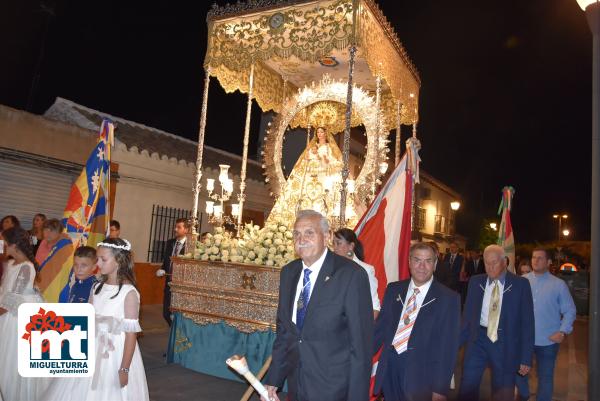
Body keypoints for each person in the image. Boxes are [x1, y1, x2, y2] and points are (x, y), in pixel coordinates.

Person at [262, 210, 373, 401]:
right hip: (297, 384)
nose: (301, 239)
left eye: (309, 233)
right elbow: (285, 333)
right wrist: (274, 379)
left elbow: (361, 347)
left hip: (334, 388)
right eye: (296, 234)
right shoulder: (289, 273)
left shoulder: (350, 275)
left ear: (327, 236)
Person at [42, 237, 149, 401]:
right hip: (90, 347)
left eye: (103, 259)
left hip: (113, 353)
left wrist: (124, 369)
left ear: (119, 261)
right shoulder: (97, 287)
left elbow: (130, 335)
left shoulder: (129, 293)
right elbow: (86, 319)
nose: (98, 263)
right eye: (97, 259)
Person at [373, 242, 461, 401]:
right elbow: (380, 329)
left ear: (435, 265)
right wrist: (357, 356)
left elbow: (448, 347)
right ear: (409, 262)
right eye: (417, 260)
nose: (422, 266)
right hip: (390, 365)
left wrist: (440, 389)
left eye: (428, 261)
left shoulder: (448, 298)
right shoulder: (394, 289)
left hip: (422, 373)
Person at [458, 244, 534, 401]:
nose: (490, 267)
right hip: (478, 340)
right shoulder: (475, 282)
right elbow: (467, 318)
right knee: (467, 385)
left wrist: (526, 357)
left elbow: (527, 323)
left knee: (503, 389)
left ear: (504, 261)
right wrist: (454, 345)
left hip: (505, 343)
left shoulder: (520, 285)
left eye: (494, 262)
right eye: (486, 262)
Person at [515, 248, 576, 401]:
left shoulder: (558, 285)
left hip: (548, 341)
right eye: (534, 257)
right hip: (523, 340)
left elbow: (570, 310)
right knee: (520, 375)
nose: (535, 260)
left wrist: (562, 331)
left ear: (549, 262)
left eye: (540, 258)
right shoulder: (522, 281)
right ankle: (524, 396)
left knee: (545, 378)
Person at [266, 126, 350, 228]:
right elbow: (304, 162)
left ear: (325, 134)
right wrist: (307, 158)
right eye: (318, 132)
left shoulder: (329, 147)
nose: (319, 134)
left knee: (323, 198)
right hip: (310, 177)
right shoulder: (312, 147)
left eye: (321, 132)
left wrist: (322, 157)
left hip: (323, 177)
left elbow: (333, 162)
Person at [0, 227, 47, 401]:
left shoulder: (26, 268)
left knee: (12, 361)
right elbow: (4, 291)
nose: (2, 245)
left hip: (16, 319)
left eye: (4, 242)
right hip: (6, 313)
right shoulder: (11, 263)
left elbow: (11, 301)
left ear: (14, 245)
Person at [332, 227, 380, 318]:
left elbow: (375, 307)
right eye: (333, 243)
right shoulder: (330, 268)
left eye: (338, 243)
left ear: (351, 246)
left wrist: (363, 330)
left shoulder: (365, 270)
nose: (335, 248)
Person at [156, 218, 189, 326]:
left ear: (186, 230)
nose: (175, 229)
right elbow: (166, 260)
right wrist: (162, 269)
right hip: (169, 283)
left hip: (182, 285)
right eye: (176, 227)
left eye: (179, 227)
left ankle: (177, 334)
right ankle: (174, 330)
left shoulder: (191, 245)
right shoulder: (170, 243)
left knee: (178, 313)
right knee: (166, 313)